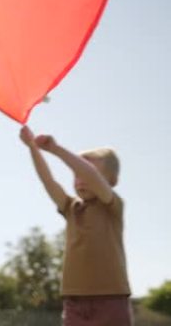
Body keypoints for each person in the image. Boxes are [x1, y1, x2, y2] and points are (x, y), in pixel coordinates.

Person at [19, 126, 132, 326]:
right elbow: (48, 181)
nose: (81, 180)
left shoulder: (112, 206)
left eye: (85, 174)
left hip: (111, 299)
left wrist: (56, 149)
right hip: (74, 301)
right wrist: (32, 148)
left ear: (111, 181)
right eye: (75, 175)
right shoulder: (71, 207)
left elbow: (89, 174)